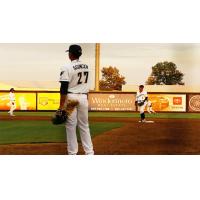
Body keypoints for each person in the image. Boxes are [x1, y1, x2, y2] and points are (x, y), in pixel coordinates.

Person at [59, 44, 94, 155]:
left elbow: (64, 87)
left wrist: (61, 106)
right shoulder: (87, 66)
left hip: (72, 98)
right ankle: (89, 152)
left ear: (70, 54)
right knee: (84, 125)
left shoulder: (66, 67)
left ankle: (73, 153)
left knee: (70, 126)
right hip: (83, 97)